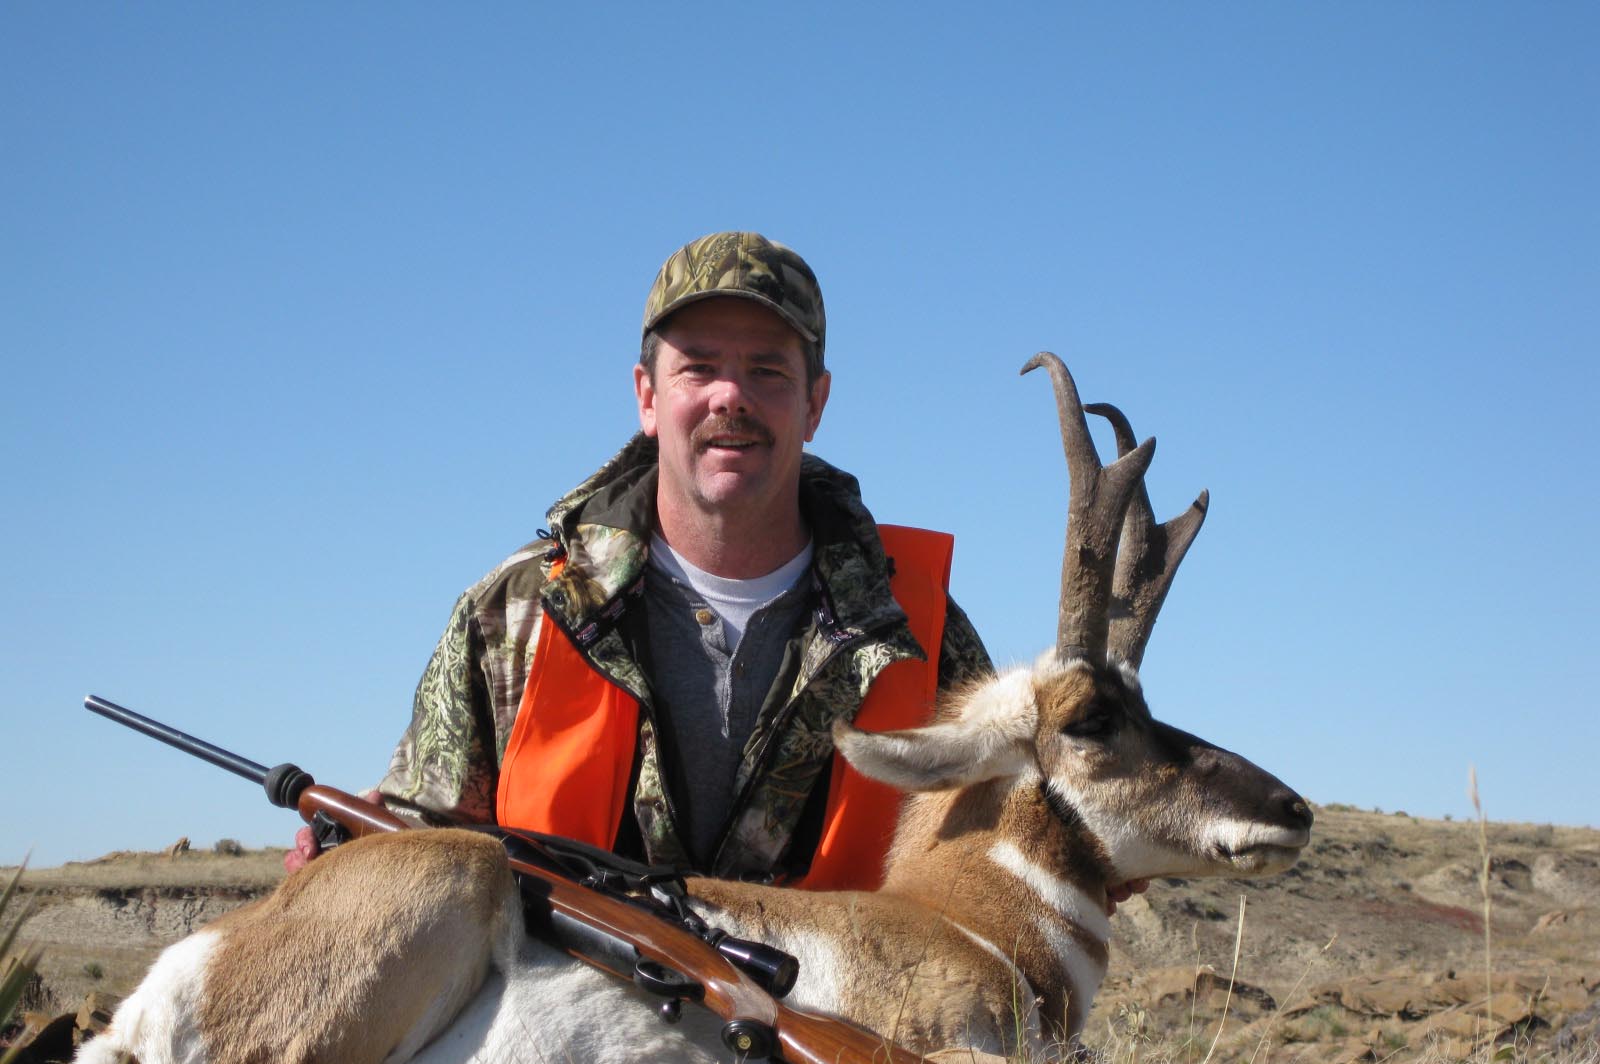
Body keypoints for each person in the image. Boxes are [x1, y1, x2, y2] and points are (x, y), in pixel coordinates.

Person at [286, 231, 1149, 906]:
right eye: (697, 367)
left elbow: (1015, 838)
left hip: (827, 1061)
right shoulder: (517, 611)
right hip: (555, 1053)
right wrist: (345, 851)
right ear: (647, 394)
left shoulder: (917, 626)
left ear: (815, 403)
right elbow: (426, 833)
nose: (729, 396)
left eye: (767, 370)